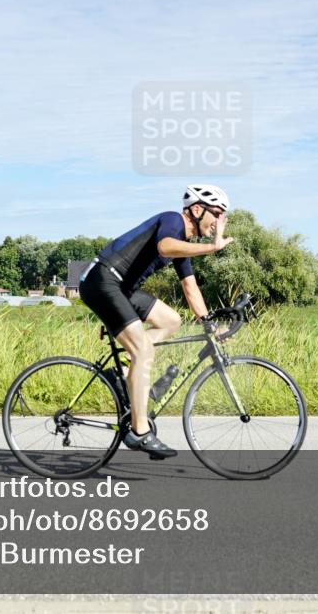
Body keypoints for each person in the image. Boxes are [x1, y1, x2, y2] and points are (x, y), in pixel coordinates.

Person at [78, 184, 233, 459]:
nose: (219, 222)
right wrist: (212, 248)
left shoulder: (181, 245)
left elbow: (190, 287)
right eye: (218, 214)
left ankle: (125, 373)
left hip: (121, 289)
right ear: (197, 209)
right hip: (102, 281)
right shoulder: (173, 221)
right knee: (144, 351)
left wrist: (209, 323)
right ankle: (139, 432)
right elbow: (164, 246)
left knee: (171, 320)